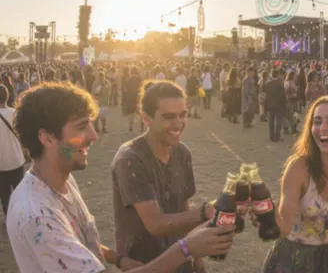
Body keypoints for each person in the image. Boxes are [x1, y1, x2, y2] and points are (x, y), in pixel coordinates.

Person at [6, 83, 234, 273]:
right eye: (81, 127)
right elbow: (155, 224)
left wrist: (117, 259)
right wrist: (187, 249)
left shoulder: (58, 181)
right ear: (46, 138)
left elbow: (80, 239)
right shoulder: (36, 215)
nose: (93, 135)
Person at [111, 81, 219, 273]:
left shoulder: (182, 153)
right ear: (146, 118)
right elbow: (155, 224)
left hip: (182, 257)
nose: (178, 123)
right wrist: (205, 212)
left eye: (183, 115)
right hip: (145, 264)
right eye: (169, 117)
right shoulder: (130, 159)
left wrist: (197, 255)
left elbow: (182, 208)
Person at [252, 96, 328, 273]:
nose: (322, 128)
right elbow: (285, 226)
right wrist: (266, 214)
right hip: (294, 261)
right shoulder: (299, 168)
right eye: (317, 122)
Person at [0, 85, 25, 222]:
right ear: (7, 96)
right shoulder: (15, 114)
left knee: (5, 195)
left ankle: (10, 219)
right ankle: (21, 216)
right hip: (16, 159)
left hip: (1, 164)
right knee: (20, 192)